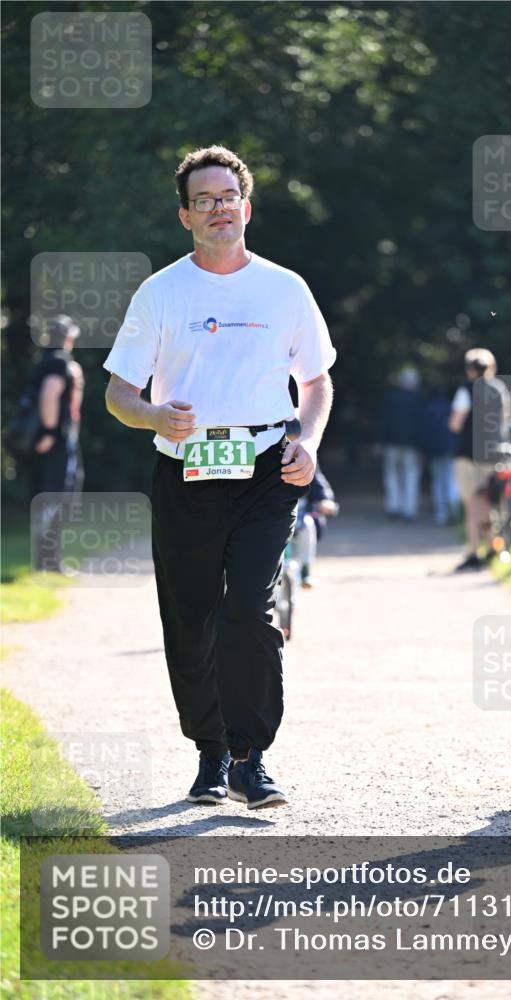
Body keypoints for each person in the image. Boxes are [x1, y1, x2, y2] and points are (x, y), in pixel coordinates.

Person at [104, 144, 335, 809]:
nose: (218, 209)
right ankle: (210, 753)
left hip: (266, 468)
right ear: (185, 216)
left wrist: (308, 441)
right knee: (192, 617)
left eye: (227, 198)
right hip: (186, 470)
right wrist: (154, 416)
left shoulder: (284, 288)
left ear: (246, 208)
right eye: (203, 201)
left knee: (249, 610)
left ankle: (249, 758)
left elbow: (316, 382)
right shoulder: (161, 292)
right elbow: (119, 393)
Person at [29, 315, 85, 571]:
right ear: (68, 338)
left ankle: (46, 560)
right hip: (55, 442)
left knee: (48, 498)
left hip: (48, 441)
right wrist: (51, 433)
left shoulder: (44, 361)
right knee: (55, 499)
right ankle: (48, 561)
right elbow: (49, 394)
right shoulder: (59, 363)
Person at [448, 348, 511, 570]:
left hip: (468, 454)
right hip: (494, 454)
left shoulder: (466, 390)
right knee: (490, 501)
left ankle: (473, 551)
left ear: (470, 369)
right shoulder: (499, 388)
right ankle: (494, 547)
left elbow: (455, 423)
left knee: (471, 504)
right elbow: (505, 419)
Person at [378, 366, 424, 522]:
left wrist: (380, 441)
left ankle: (393, 507)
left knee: (391, 475)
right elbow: (422, 425)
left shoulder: (392, 397)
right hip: (413, 445)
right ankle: (409, 510)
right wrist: (422, 446)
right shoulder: (419, 399)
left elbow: (384, 421)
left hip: (392, 443)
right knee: (411, 476)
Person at [421, 386, 458, 526]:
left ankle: (441, 513)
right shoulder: (450, 407)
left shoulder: (427, 409)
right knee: (450, 479)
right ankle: (454, 508)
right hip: (449, 448)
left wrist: (424, 450)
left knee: (437, 481)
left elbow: (425, 432)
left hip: (434, 450)